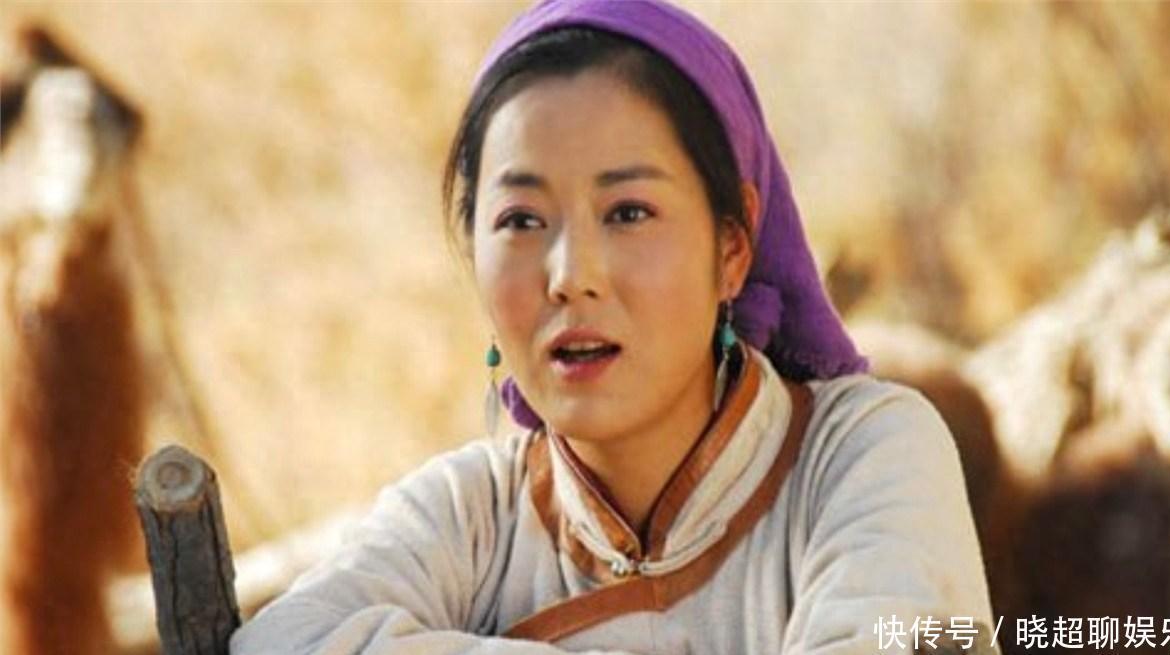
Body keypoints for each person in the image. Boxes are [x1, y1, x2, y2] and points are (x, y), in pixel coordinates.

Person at [230, 1, 997, 653]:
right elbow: (287, 638)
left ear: (733, 247)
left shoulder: (861, 454)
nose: (570, 275)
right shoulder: (471, 517)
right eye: (521, 219)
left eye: (628, 212)